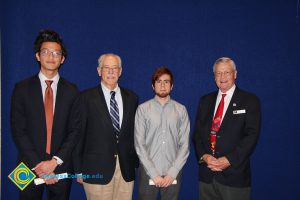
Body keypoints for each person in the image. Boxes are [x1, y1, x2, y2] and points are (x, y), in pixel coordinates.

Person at [10, 29, 81, 199]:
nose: (51, 56)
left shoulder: (72, 91)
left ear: (62, 59)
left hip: (60, 168)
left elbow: (75, 131)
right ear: (37, 56)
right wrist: (39, 166)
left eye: (56, 53)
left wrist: (54, 162)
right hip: (28, 165)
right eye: (46, 52)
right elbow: (18, 131)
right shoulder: (22, 89)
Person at [193, 57, 261, 200]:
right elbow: (197, 135)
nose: (222, 77)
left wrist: (229, 160)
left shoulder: (249, 100)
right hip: (207, 176)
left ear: (235, 74)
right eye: (218, 73)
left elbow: (252, 136)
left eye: (227, 72)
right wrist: (204, 156)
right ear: (214, 76)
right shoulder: (205, 101)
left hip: (234, 177)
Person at [73, 53, 139, 200]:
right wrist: (78, 169)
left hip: (125, 170)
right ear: (98, 70)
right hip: (95, 169)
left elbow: (134, 134)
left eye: (115, 68)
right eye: (106, 68)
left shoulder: (132, 98)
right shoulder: (85, 98)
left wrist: (135, 162)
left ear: (120, 71)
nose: (111, 72)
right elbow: (78, 135)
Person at [134, 67, 190, 200]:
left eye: (166, 81)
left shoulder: (181, 110)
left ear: (172, 86)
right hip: (148, 173)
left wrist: (172, 172)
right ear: (153, 86)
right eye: (159, 81)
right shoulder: (143, 109)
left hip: (173, 174)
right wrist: (153, 173)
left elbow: (184, 145)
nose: (163, 85)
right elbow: (139, 144)